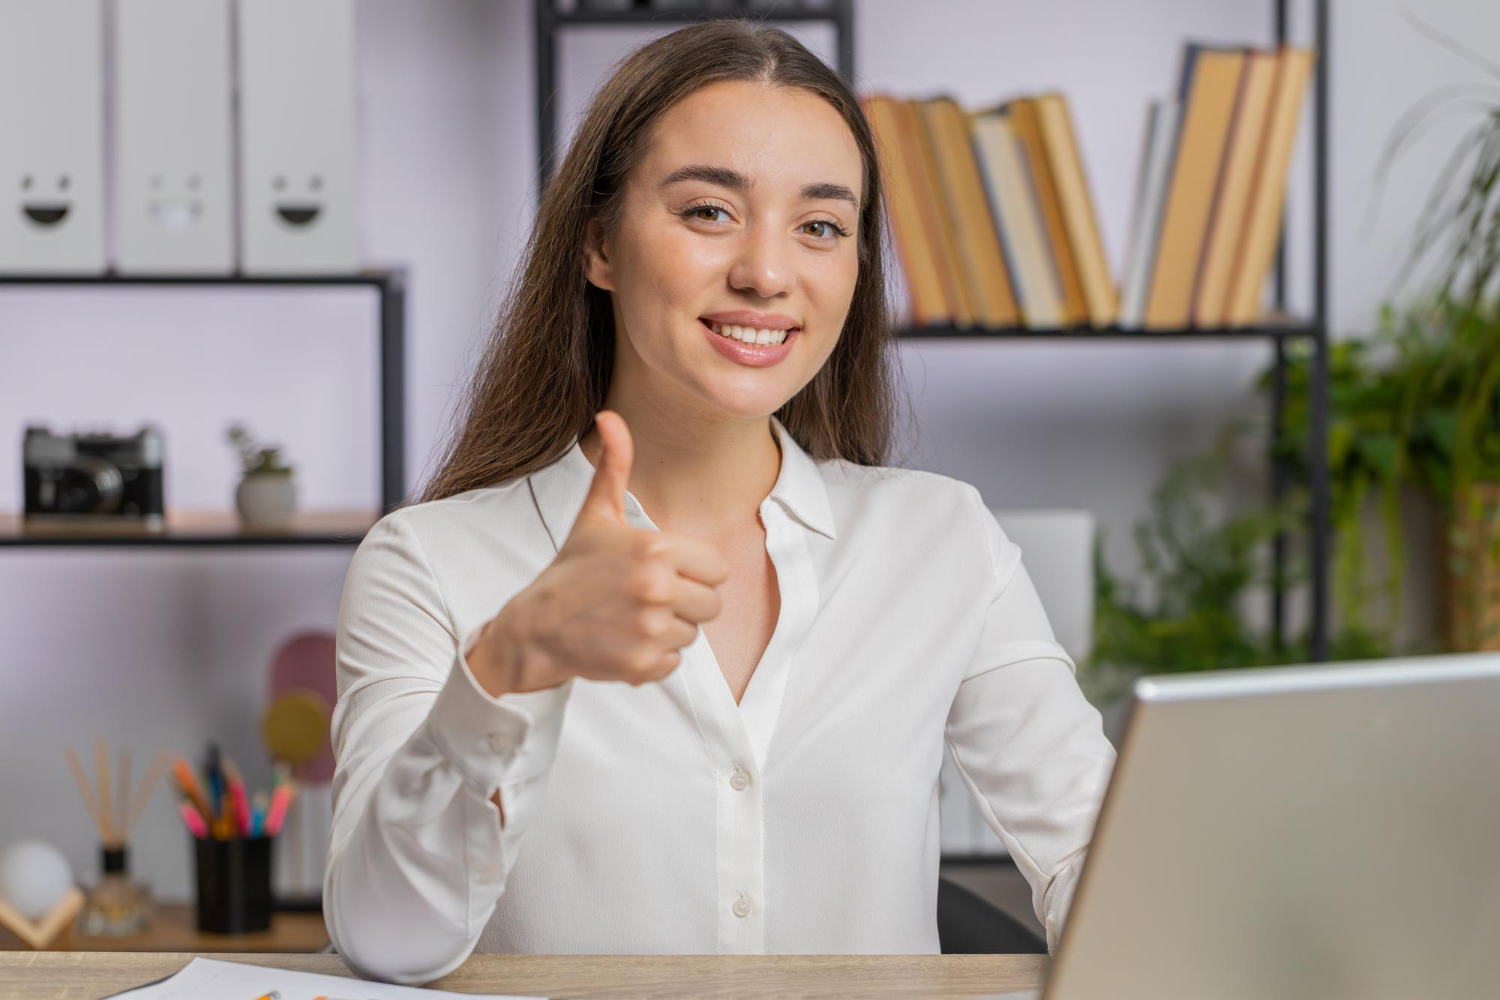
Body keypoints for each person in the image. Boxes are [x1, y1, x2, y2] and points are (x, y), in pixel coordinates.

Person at [325, 19, 1116, 986]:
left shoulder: (942, 538)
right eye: (709, 212)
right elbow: (387, 941)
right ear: (598, 243)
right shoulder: (430, 563)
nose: (768, 273)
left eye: (821, 226)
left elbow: (1101, 864)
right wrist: (513, 663)